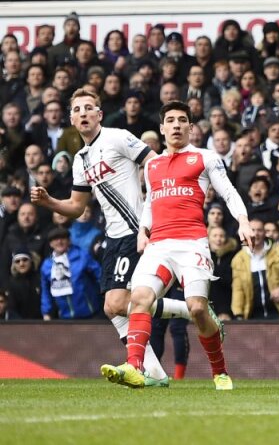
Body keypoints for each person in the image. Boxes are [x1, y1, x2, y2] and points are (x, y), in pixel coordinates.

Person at [32, 88, 190, 387]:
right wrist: (49, 202)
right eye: (77, 109)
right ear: (71, 118)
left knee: (118, 303)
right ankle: (156, 372)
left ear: (99, 114)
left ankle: (184, 316)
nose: (83, 113)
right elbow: (77, 208)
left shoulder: (117, 137)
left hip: (135, 230)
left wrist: (155, 208)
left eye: (89, 108)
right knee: (111, 307)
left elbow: (155, 163)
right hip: (113, 236)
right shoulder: (80, 160)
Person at [100, 100, 253, 391]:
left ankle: (219, 371)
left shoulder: (204, 158)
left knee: (197, 308)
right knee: (140, 298)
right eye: (170, 120)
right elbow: (150, 202)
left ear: (191, 128)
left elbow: (230, 193)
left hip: (192, 243)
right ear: (162, 127)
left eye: (182, 120)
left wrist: (243, 222)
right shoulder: (153, 165)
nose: (176, 125)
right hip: (158, 244)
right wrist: (143, 230)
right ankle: (135, 367)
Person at [230, 218, 279, 320]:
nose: (256, 234)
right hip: (253, 314)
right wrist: (238, 314)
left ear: (264, 233)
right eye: (252, 230)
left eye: (260, 230)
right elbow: (238, 289)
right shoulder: (238, 259)